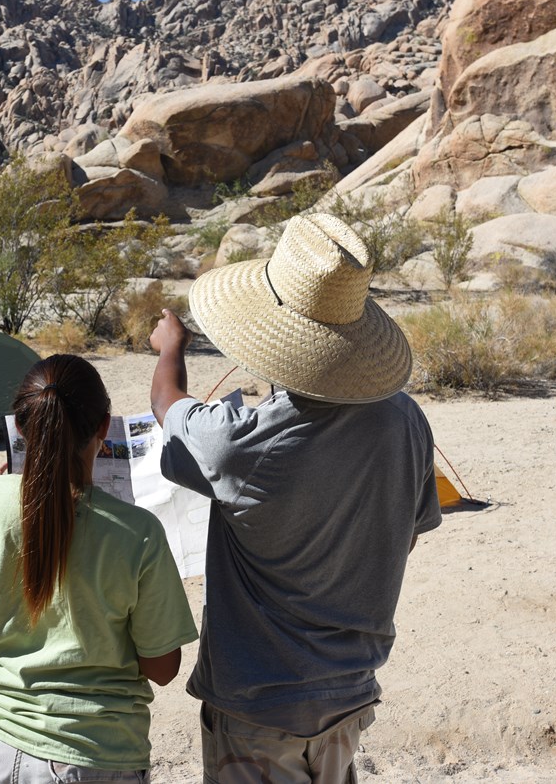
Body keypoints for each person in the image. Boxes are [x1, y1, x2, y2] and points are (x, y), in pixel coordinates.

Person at [149, 212, 441, 783]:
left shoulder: (241, 442)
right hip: (350, 692)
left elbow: (168, 405)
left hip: (257, 703)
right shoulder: (406, 420)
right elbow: (404, 535)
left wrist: (169, 349)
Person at [0, 354, 199, 783]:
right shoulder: (138, 533)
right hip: (93, 757)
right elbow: (162, 668)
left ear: (21, 426)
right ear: (104, 427)